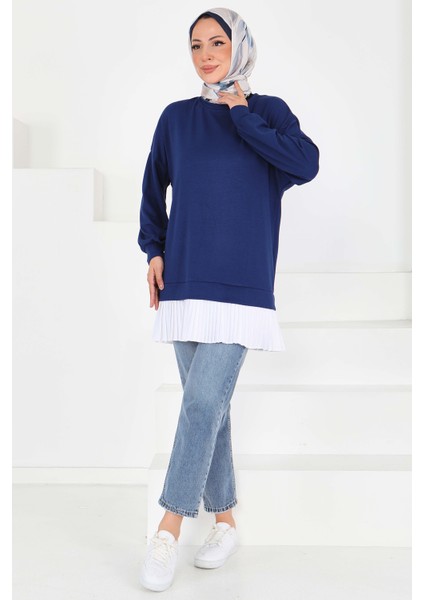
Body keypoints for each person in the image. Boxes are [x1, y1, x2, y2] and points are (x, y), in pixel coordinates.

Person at [138, 7, 319, 592]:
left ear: (239, 47)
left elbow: (305, 164)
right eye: (196, 45)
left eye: (217, 42)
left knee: (199, 405)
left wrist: (241, 113)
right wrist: (153, 249)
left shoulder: (267, 112)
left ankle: (168, 529)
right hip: (184, 283)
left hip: (241, 288)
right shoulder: (176, 118)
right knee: (210, 409)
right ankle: (225, 522)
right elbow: (153, 187)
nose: (206, 54)